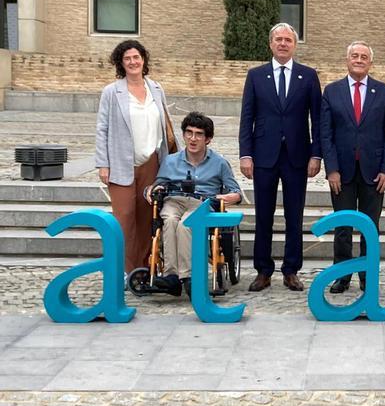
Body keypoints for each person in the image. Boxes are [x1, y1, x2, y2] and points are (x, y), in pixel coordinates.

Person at [239, 22, 322, 292]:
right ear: (271, 44)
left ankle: (291, 269)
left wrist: (316, 155)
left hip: (297, 156)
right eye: (279, 39)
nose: (283, 43)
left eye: (288, 39)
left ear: (294, 45)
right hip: (263, 156)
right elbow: (247, 117)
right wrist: (245, 154)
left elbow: (317, 120)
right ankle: (263, 270)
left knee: (294, 216)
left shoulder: (308, 76)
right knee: (263, 214)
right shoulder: (256, 75)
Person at [320, 41, 385, 293]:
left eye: (364, 56)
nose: (359, 59)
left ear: (370, 62)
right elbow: (326, 133)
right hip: (341, 173)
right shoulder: (332, 91)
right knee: (342, 226)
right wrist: (331, 169)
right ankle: (342, 275)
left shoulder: (383, 92)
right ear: (347, 60)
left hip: (374, 173)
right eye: (355, 55)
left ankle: (367, 276)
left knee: (369, 227)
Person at [96, 40, 175, 274]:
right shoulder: (112, 92)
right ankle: (121, 270)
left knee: (145, 219)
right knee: (123, 220)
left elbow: (166, 125)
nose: (133, 62)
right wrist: (103, 164)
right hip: (121, 164)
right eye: (127, 58)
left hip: (151, 163)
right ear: (121, 63)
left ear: (143, 60)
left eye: (136, 57)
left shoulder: (156, 89)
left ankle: (141, 270)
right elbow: (102, 128)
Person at [148, 112, 242, 297]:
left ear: (208, 139)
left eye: (199, 134)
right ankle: (171, 276)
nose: (193, 138)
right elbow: (158, 184)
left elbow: (236, 192)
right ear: (183, 135)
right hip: (174, 200)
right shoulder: (171, 161)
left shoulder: (219, 163)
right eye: (189, 133)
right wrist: (153, 190)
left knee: (186, 224)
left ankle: (187, 277)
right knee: (169, 220)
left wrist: (229, 197)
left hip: (202, 202)